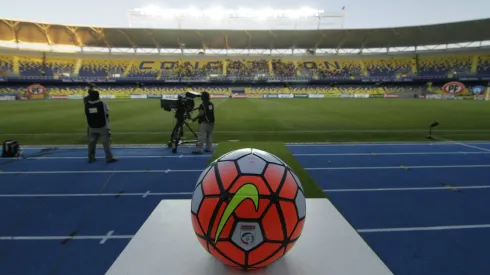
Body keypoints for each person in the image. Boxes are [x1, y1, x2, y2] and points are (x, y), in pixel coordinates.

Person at [84, 90, 118, 163]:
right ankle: (109, 158)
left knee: (91, 144)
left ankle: (91, 158)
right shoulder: (102, 103)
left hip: (91, 126)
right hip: (103, 126)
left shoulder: (86, 104)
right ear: (98, 96)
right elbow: (107, 112)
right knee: (106, 143)